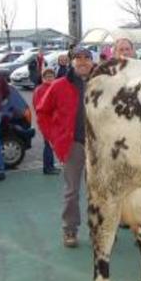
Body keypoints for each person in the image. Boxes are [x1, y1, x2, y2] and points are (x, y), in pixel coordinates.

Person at [36, 47, 95, 248]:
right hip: (74, 145)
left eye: (87, 58)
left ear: (92, 61)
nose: (82, 62)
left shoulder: (102, 84)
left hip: (99, 146)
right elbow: (42, 112)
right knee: (72, 191)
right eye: (78, 59)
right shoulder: (59, 85)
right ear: (71, 62)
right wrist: (53, 137)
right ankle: (70, 229)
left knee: (98, 191)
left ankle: (98, 228)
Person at [33, 67, 59, 175]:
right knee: (48, 144)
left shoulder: (54, 88)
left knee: (50, 144)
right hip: (46, 121)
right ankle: (48, 168)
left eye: (51, 76)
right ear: (43, 78)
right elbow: (38, 106)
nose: (49, 78)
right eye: (47, 76)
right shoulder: (40, 89)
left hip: (53, 120)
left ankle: (50, 166)